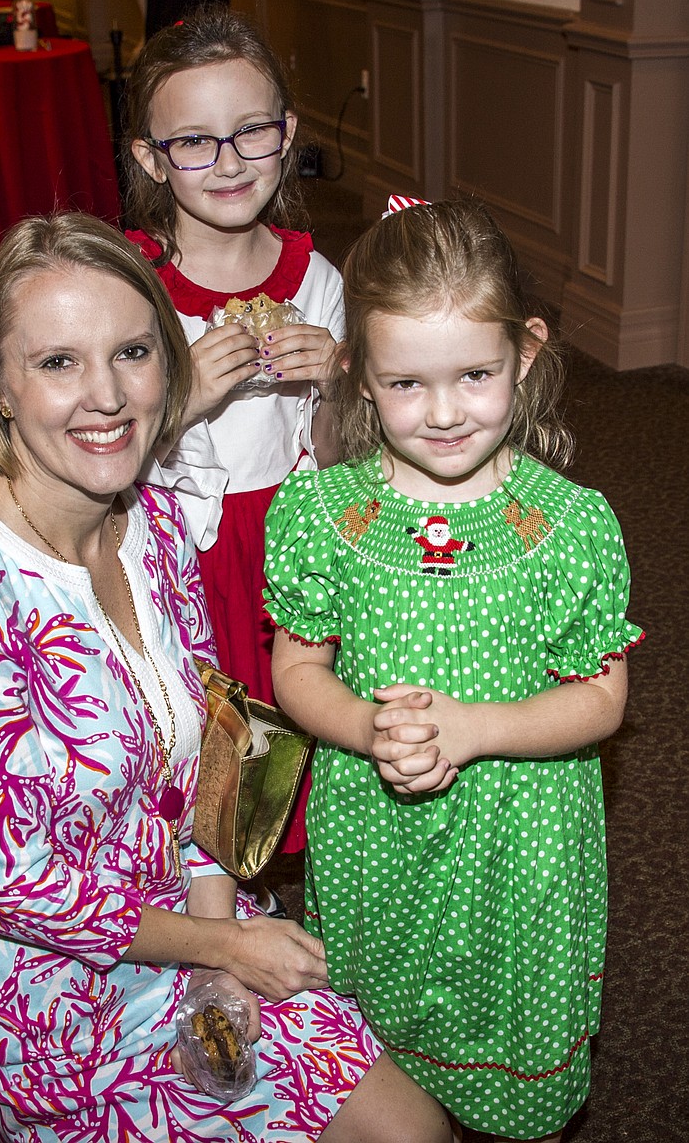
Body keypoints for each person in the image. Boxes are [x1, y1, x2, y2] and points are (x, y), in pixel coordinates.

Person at [0, 211, 456, 1143]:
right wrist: (223, 946)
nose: (107, 396)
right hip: (48, 1002)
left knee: (414, 1132)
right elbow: (15, 887)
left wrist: (219, 966)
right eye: (58, 362)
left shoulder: (152, 525)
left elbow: (222, 748)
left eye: (133, 352)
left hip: (194, 928)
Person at [264, 197, 644, 1143]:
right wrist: (365, 726)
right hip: (375, 826)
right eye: (405, 383)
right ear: (358, 376)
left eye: (475, 375)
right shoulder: (322, 517)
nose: (442, 413)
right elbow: (296, 671)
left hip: (521, 835)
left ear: (526, 353)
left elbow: (602, 699)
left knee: (508, 1009)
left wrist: (475, 728)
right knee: (382, 1035)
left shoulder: (570, 526)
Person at [123, 4, 343, 854]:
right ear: (152, 158)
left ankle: (300, 862)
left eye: (250, 131)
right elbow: (94, 452)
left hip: (294, 537)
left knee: (304, 717)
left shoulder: (316, 279)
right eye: (193, 141)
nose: (227, 161)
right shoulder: (132, 287)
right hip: (183, 549)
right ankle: (207, 887)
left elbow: (344, 452)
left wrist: (340, 379)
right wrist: (178, 402)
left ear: (286, 135)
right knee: (201, 735)